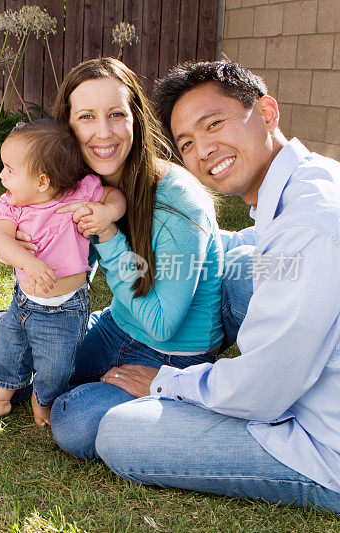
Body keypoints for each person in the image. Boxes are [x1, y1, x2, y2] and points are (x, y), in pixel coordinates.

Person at [93, 60, 340, 513]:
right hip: (306, 384)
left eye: (215, 124)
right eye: (187, 143)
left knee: (118, 432)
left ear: (267, 112)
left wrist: (168, 382)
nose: (204, 150)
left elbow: (264, 390)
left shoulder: (308, 225)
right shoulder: (312, 181)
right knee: (245, 260)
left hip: (324, 445)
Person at [0, 57, 223, 460]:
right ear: (67, 128)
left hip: (170, 352)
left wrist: (108, 233)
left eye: (117, 114)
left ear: (136, 118)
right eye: (86, 117)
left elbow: (163, 323)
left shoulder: (180, 201)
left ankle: (117, 395)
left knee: (74, 423)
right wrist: (36, 247)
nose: (103, 132)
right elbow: (76, 269)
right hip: (117, 326)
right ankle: (64, 371)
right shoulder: (82, 187)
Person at [0, 119, 125, 426]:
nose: (1, 175)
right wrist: (29, 263)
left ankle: (41, 400)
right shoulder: (11, 207)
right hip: (23, 303)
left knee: (56, 366)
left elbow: (114, 196)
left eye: (9, 169)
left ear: (43, 181)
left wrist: (106, 212)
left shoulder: (82, 192)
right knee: (7, 352)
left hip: (66, 309)